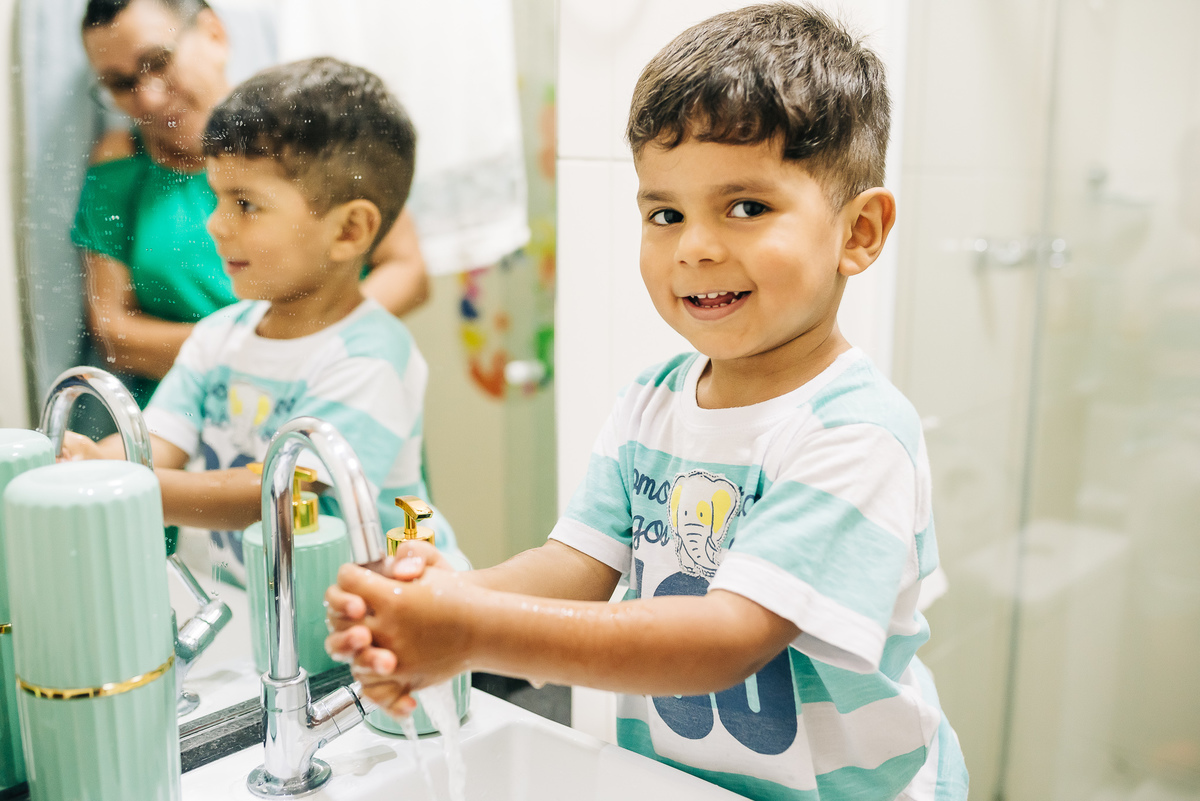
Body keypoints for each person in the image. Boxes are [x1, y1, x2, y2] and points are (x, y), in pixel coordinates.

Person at [324, 4, 969, 800]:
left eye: (746, 207)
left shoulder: (857, 434)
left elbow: (725, 638)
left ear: (859, 232)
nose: (694, 246)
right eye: (666, 213)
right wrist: (446, 598)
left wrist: (467, 631)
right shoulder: (652, 401)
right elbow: (575, 566)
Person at [62, 57, 461, 584]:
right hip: (257, 609)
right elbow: (154, 443)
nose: (216, 224)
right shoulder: (218, 337)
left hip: (382, 612)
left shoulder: (371, 357)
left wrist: (117, 484)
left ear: (348, 231)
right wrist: (88, 458)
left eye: (246, 204)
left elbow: (278, 495)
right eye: (217, 197)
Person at [73, 0, 430, 407]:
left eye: (159, 61)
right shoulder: (121, 161)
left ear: (214, 35)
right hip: (188, 413)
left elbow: (407, 267)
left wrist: (298, 346)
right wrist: (256, 352)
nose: (149, 99)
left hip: (325, 393)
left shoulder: (303, 124)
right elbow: (113, 333)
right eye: (120, 84)